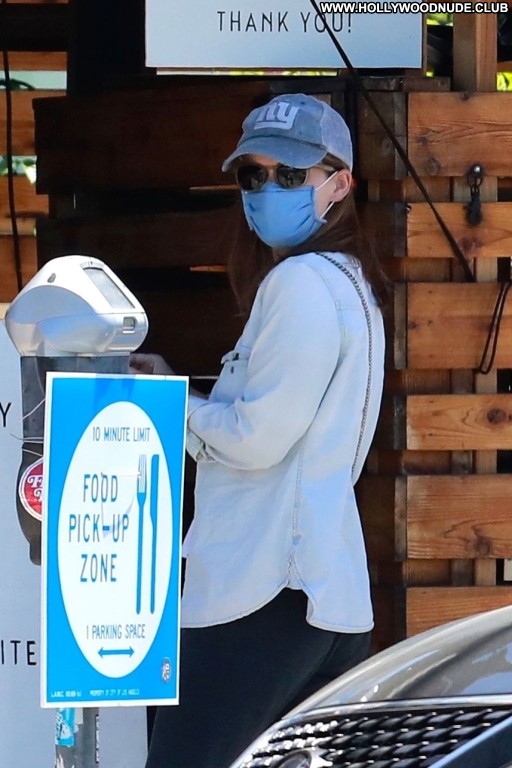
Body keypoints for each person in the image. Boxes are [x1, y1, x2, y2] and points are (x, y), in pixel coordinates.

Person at [130, 92, 387, 768]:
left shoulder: (299, 282)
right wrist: (182, 394)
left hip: (261, 591)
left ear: (339, 185)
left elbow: (256, 438)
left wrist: (167, 404)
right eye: (252, 175)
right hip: (325, 599)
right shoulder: (351, 284)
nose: (267, 190)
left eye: (290, 174)